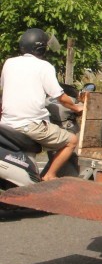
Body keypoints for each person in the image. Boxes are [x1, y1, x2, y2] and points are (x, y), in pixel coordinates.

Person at [0, 28, 83, 181]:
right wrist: (77, 107)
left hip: (6, 124)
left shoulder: (9, 63)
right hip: (30, 125)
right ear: (41, 48)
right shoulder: (44, 67)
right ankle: (50, 175)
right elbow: (61, 97)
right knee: (71, 141)